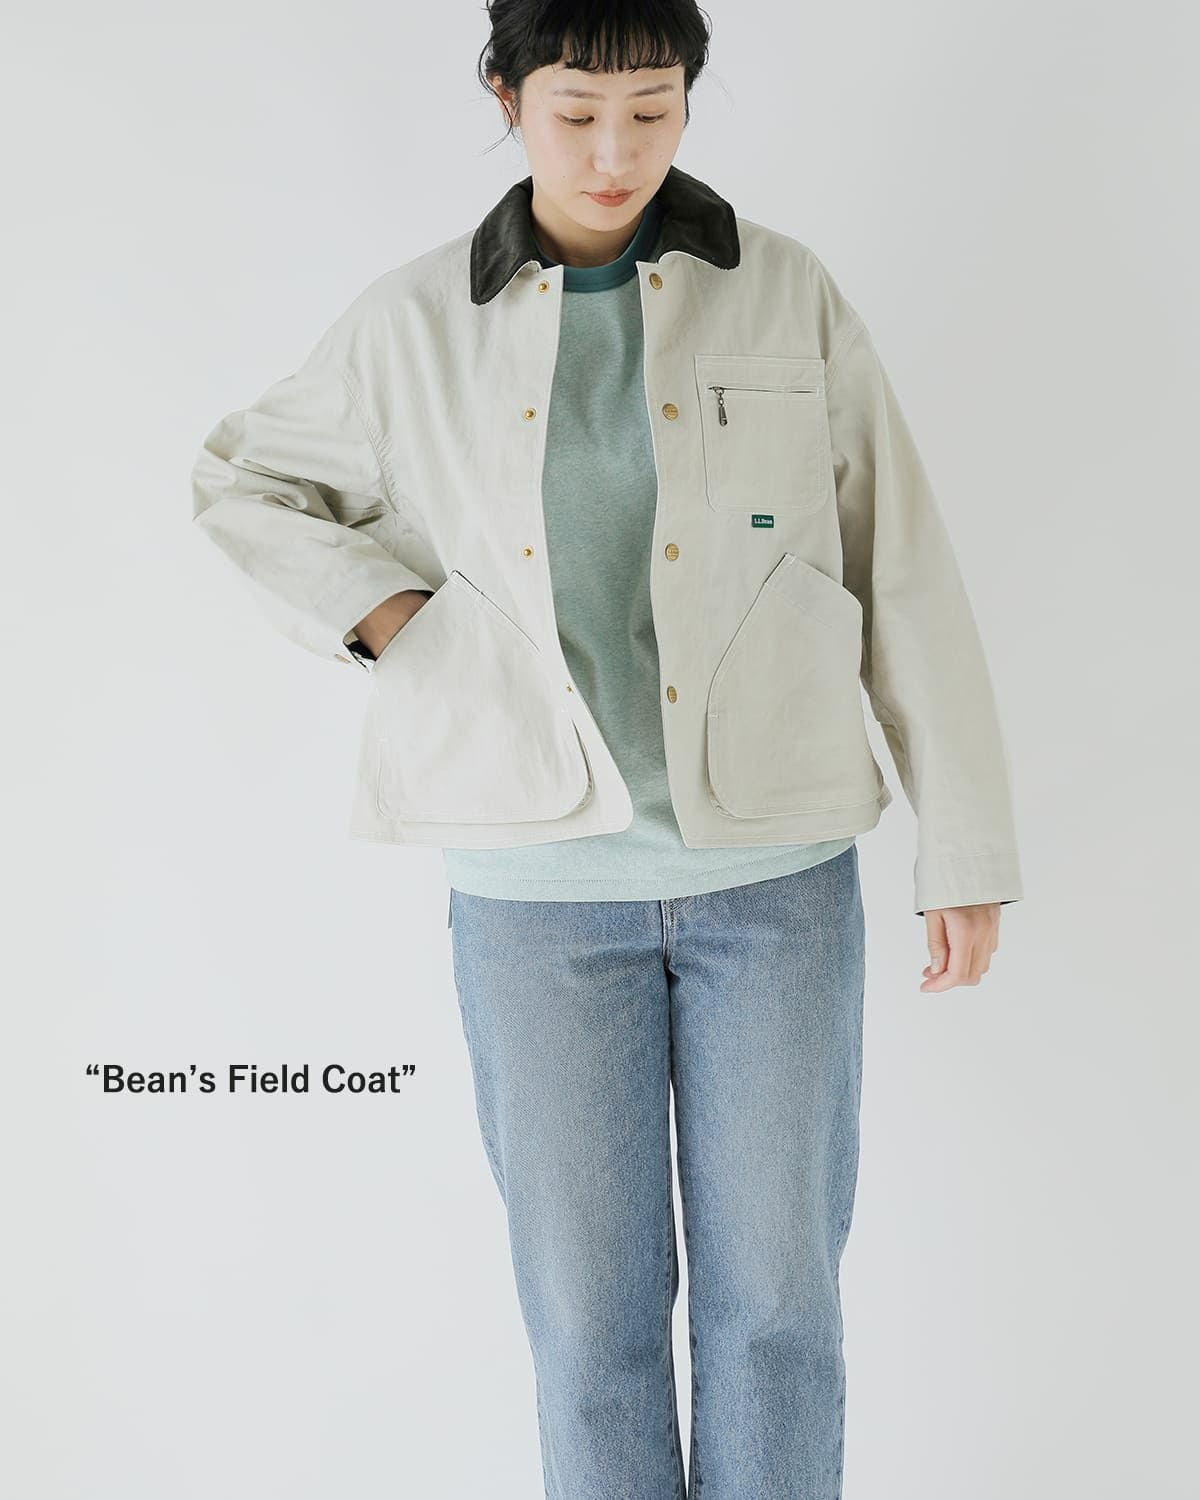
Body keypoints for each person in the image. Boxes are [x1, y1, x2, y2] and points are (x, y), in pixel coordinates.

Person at [190, 3, 1023, 1494]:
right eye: (576, 112)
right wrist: (396, 619)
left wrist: (961, 844)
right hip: (535, 899)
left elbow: (898, 562)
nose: (615, 151)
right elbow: (242, 482)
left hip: (776, 879)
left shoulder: (785, 292)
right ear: (505, 96)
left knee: (781, 1315)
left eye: (654, 109)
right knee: (590, 1331)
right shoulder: (412, 321)